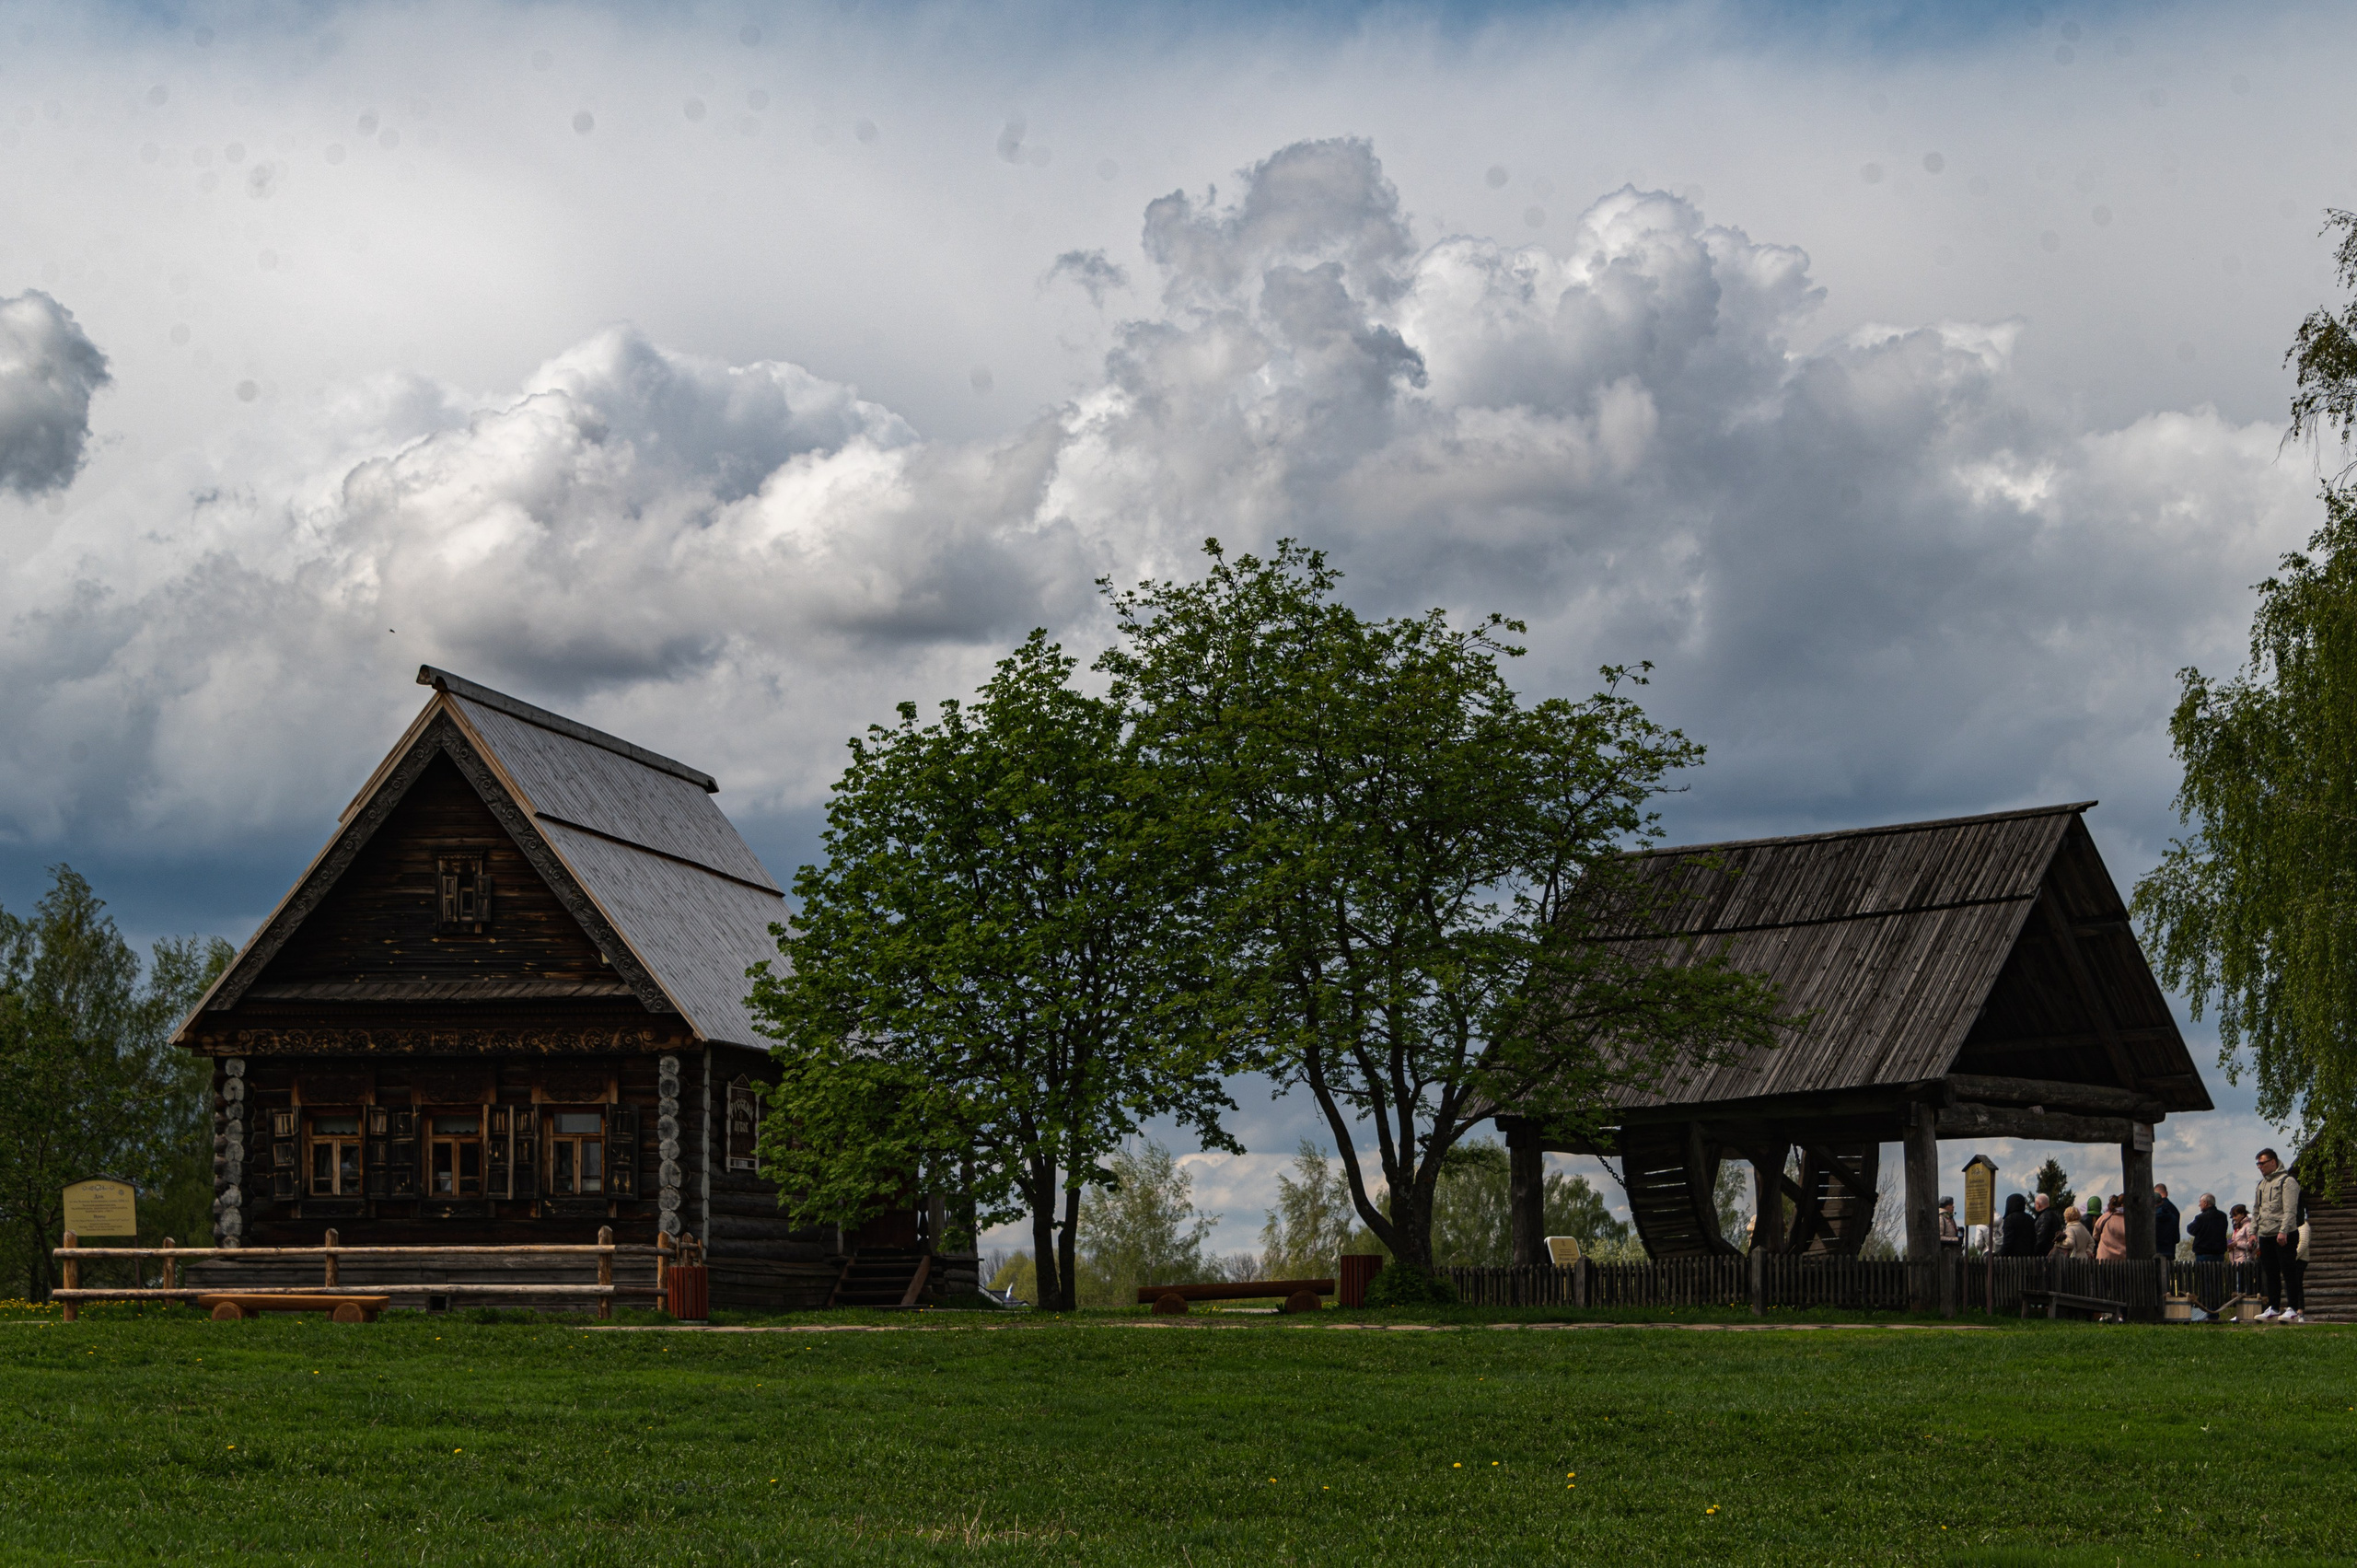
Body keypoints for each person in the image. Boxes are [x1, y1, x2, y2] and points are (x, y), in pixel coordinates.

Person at [2253, 1148, 2305, 1321]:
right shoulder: (2261, 1185)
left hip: (2284, 1234)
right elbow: (2256, 1210)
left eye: (2262, 1163)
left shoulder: (2287, 1181)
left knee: (2289, 1271)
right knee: (2270, 1272)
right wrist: (2253, 1232)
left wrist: (2283, 1231)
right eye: (2258, 1164)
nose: (2260, 1167)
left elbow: (2290, 1210)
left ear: (2273, 1162)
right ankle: (2273, 1307)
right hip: (2265, 1233)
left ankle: (2292, 1308)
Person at [2187, 1193, 2228, 1261]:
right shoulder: (2223, 1216)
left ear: (2205, 1203)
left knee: (2203, 1271)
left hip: (2203, 1252)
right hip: (2219, 1252)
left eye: (2200, 1202)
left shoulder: (2200, 1218)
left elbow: (2191, 1229)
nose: (2199, 1205)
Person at [2228, 1203, 2259, 1296]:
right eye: (2232, 1216)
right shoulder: (2238, 1227)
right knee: (2239, 1286)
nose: (2234, 1218)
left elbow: (2253, 1245)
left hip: (2244, 1260)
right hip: (2236, 1260)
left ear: (2242, 1214)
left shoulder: (2248, 1226)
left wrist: (2236, 1244)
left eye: (2235, 1215)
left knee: (2244, 1286)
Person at [1999, 1191, 2038, 1257]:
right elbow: (2034, 1239)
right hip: (2029, 1257)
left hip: (2013, 1258)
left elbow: (2008, 1241)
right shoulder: (2030, 1218)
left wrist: (2001, 1255)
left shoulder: (2009, 1219)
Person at [2033, 1191, 2064, 1256]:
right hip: (2052, 1252)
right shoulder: (2054, 1216)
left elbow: (2041, 1237)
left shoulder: (2044, 1217)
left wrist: (2033, 1252)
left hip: (2043, 1254)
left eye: (2035, 1204)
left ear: (2038, 1205)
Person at [2154, 1183, 2182, 1256]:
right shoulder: (2174, 1211)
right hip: (2170, 1249)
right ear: (2166, 1193)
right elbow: (2176, 1237)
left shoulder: (2152, 1213)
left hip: (2155, 1249)